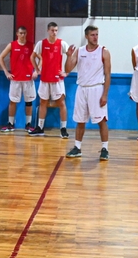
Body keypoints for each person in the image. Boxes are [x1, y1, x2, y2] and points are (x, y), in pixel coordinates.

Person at [64, 25, 112, 160]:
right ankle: (77, 148)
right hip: (82, 89)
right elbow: (67, 69)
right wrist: (68, 56)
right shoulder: (79, 51)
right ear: (86, 36)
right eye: (92, 35)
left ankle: (105, 149)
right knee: (80, 120)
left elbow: (108, 75)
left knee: (101, 121)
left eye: (97, 34)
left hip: (97, 89)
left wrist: (105, 94)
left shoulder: (104, 51)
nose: (95, 37)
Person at [29, 22, 70, 138]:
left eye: (56, 30)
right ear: (48, 30)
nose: (54, 32)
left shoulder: (62, 43)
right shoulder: (41, 43)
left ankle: (63, 129)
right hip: (45, 79)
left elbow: (71, 56)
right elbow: (32, 57)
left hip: (57, 79)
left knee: (61, 103)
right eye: (52, 30)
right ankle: (40, 128)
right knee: (43, 102)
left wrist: (66, 72)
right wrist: (37, 70)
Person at [0, 25, 35, 132]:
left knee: (29, 102)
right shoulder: (12, 45)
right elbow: (0, 57)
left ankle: (28, 124)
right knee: (13, 101)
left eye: (24, 33)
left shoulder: (31, 45)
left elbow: (42, 58)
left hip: (28, 79)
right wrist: (6, 72)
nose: (23, 35)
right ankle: (10, 124)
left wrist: (36, 71)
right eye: (21, 33)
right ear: (17, 34)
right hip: (15, 79)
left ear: (26, 34)